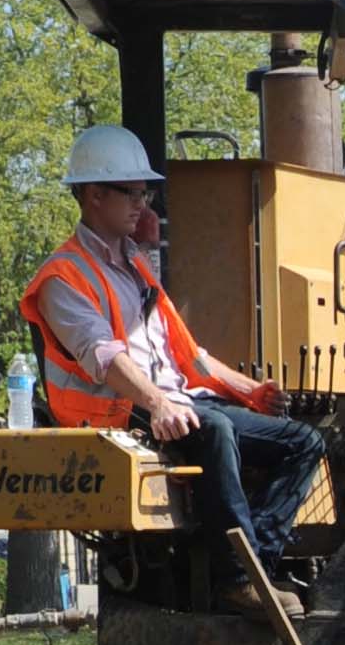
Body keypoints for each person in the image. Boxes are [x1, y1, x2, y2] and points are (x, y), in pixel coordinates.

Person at [21, 125, 328, 581]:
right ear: (92, 195)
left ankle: (257, 562)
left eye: (144, 192)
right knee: (215, 429)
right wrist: (159, 403)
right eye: (130, 192)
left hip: (172, 402)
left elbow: (187, 354)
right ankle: (237, 580)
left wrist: (251, 391)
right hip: (119, 413)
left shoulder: (135, 268)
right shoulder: (62, 277)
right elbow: (104, 357)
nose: (141, 203)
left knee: (303, 442)